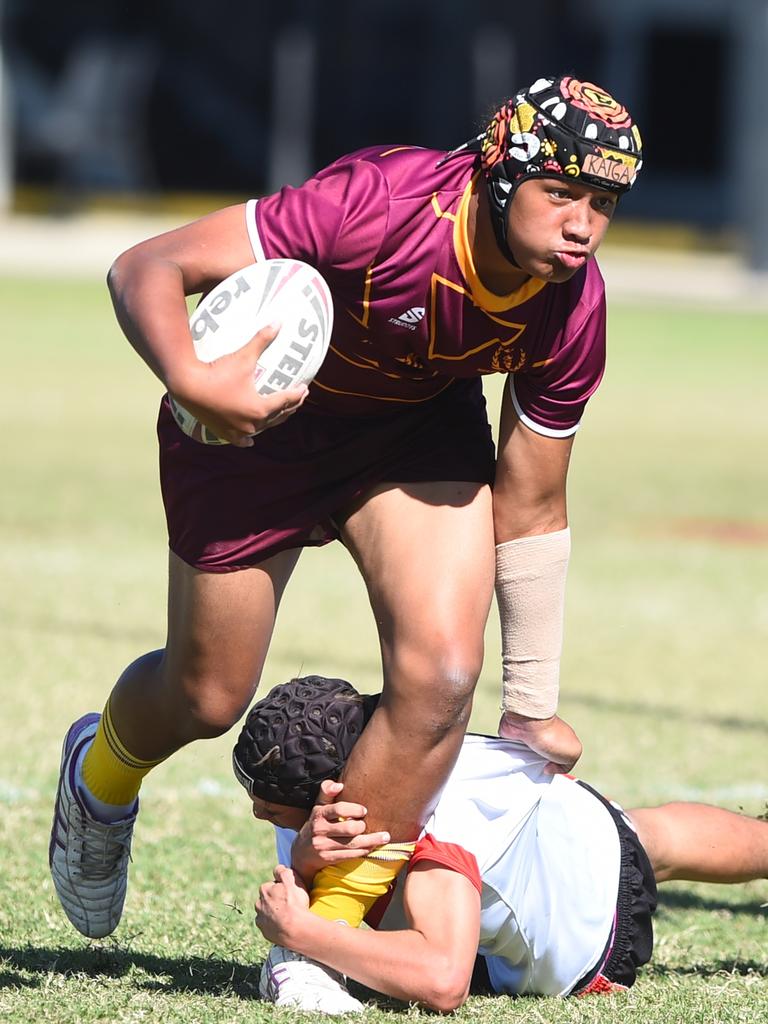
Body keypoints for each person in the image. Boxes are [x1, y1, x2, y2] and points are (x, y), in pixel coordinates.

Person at [50, 75, 643, 940]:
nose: (583, 225)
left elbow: (532, 497)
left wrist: (531, 699)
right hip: (256, 425)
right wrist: (192, 380)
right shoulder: (381, 204)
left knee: (441, 675)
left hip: (411, 432)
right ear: (500, 173)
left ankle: (327, 936)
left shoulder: (571, 309)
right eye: (561, 193)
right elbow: (146, 264)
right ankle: (97, 778)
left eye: (602, 202)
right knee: (207, 695)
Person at [233, 676, 768, 1014]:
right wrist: (303, 860)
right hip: (570, 819)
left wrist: (302, 933)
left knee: (638, 843)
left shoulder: (436, 832)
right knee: (648, 835)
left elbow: (443, 980)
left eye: (275, 807)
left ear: (339, 789)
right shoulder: (352, 790)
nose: (260, 814)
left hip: (585, 934)